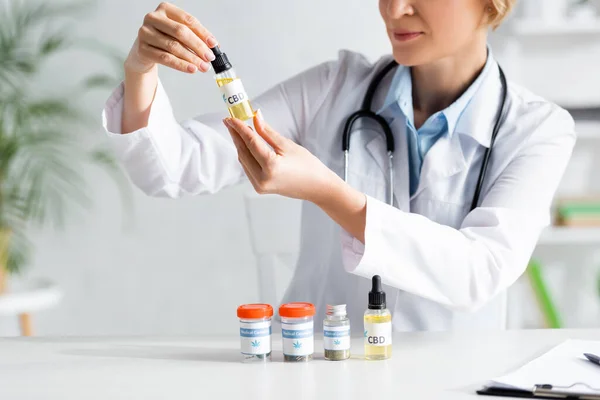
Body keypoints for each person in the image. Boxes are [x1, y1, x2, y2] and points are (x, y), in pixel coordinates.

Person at [102, 0, 576, 331]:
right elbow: (174, 169)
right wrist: (140, 69)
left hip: (454, 377)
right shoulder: (333, 88)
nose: (393, 10)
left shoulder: (536, 129)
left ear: (492, 2)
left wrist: (327, 191)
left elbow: (481, 270)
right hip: (321, 373)